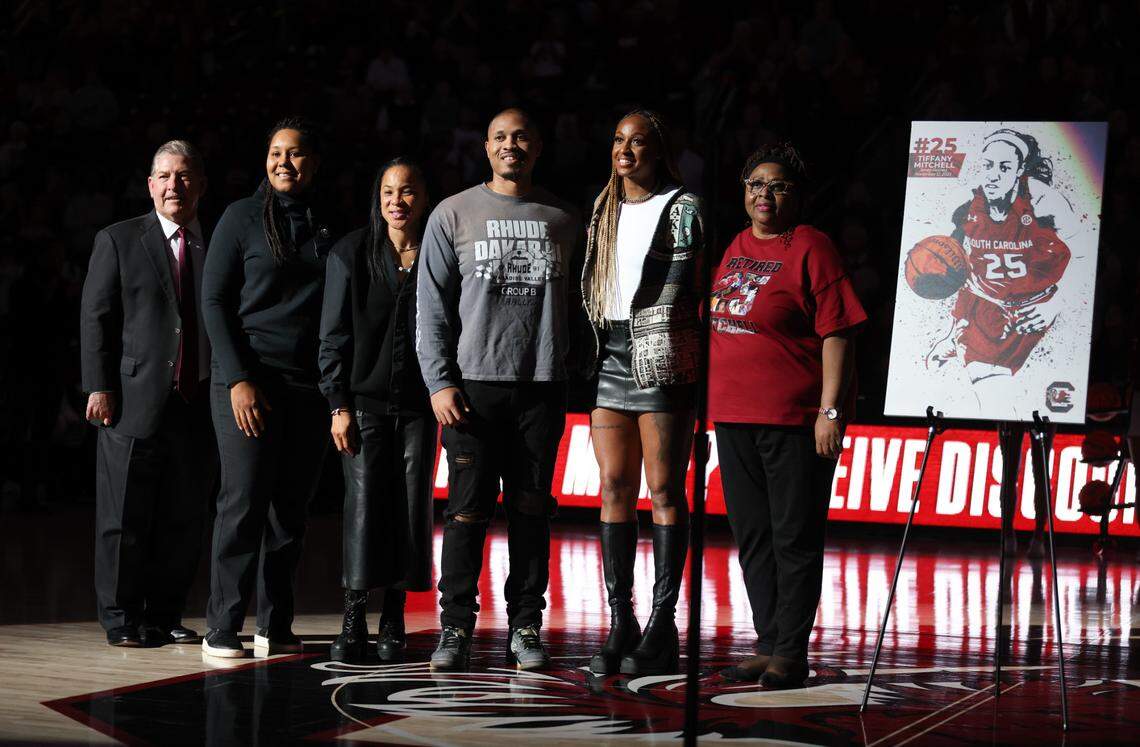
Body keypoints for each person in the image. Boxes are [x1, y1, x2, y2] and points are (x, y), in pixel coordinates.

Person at [416, 108, 581, 672]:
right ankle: (456, 626)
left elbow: (583, 303)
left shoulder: (565, 217)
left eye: (522, 136)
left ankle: (526, 625)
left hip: (541, 386)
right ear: (486, 147)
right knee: (466, 514)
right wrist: (439, 381)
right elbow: (430, 308)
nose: (512, 145)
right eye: (501, 137)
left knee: (532, 513)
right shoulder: (452, 213)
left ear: (538, 146)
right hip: (471, 390)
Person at [710, 143, 866, 689]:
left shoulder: (812, 247)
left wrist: (831, 411)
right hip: (733, 417)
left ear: (796, 195)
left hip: (793, 419)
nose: (765, 195)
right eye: (756, 184)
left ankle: (791, 652)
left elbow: (838, 334)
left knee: (793, 537)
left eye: (778, 186)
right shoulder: (735, 245)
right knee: (753, 536)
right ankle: (769, 641)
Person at [200, 117, 335, 658]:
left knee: (290, 511)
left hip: (307, 388)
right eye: (276, 152)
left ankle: (274, 624)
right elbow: (213, 302)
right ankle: (222, 625)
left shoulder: (327, 223)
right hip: (248, 381)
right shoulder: (240, 217)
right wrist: (238, 378)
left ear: (313, 163)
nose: (284, 161)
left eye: (295, 153)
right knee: (244, 501)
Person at [579, 109, 704, 676]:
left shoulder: (683, 205)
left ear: (658, 150)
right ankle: (620, 619)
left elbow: (690, 281)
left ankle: (662, 624)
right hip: (608, 351)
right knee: (613, 485)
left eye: (637, 141)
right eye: (617, 139)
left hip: (660, 353)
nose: (624, 149)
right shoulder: (603, 207)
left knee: (664, 489)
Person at [80, 140, 216, 647]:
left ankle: (164, 615)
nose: (173, 185)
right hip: (132, 399)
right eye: (164, 176)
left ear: (201, 185)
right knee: (123, 518)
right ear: (150, 185)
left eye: (184, 176)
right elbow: (96, 317)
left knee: (183, 518)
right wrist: (99, 385)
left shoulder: (215, 242)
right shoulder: (118, 239)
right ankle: (120, 618)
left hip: (198, 400)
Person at [319, 158, 434, 662]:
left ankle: (394, 616)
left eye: (406, 191)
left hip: (419, 407)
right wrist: (337, 404)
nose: (396, 201)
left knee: (410, 510)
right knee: (364, 511)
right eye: (388, 191)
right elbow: (332, 335)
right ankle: (353, 617)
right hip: (362, 406)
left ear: (422, 198)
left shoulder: (438, 251)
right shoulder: (350, 252)